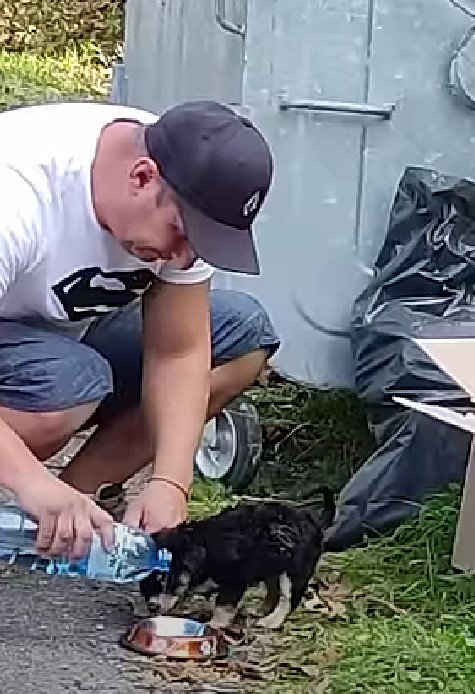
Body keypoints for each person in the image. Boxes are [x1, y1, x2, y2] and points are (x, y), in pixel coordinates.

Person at [0, 99, 280, 561]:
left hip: (57, 329)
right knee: (69, 381)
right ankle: (35, 495)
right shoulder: (20, 194)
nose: (185, 257)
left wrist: (170, 482)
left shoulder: (189, 183)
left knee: (240, 333)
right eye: (183, 233)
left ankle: (70, 511)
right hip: (43, 355)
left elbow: (180, 351)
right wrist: (33, 482)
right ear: (142, 178)